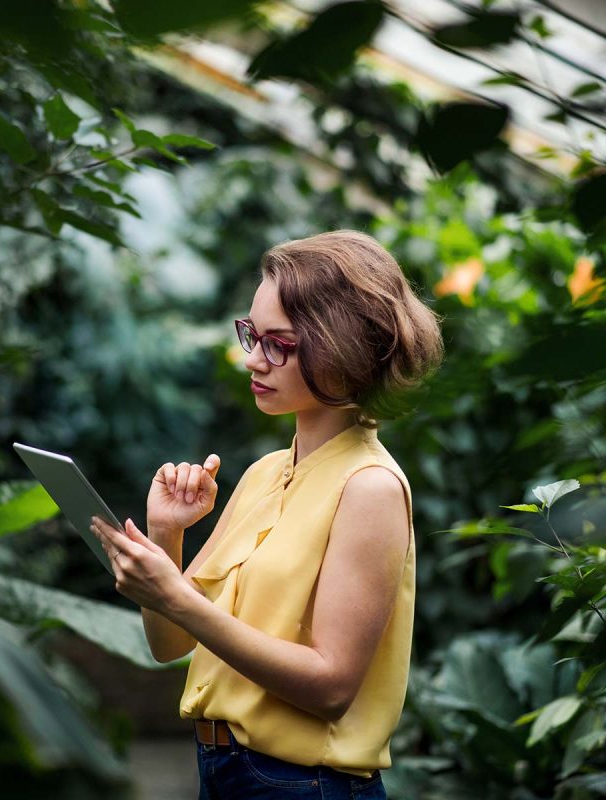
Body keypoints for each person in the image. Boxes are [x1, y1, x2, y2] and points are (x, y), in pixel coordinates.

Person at [90, 230, 444, 799]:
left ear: (342, 346)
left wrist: (174, 594)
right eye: (252, 335)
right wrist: (166, 534)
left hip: (303, 784)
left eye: (278, 343)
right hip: (223, 770)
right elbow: (169, 643)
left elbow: (332, 686)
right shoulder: (266, 470)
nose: (253, 359)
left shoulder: (370, 487)